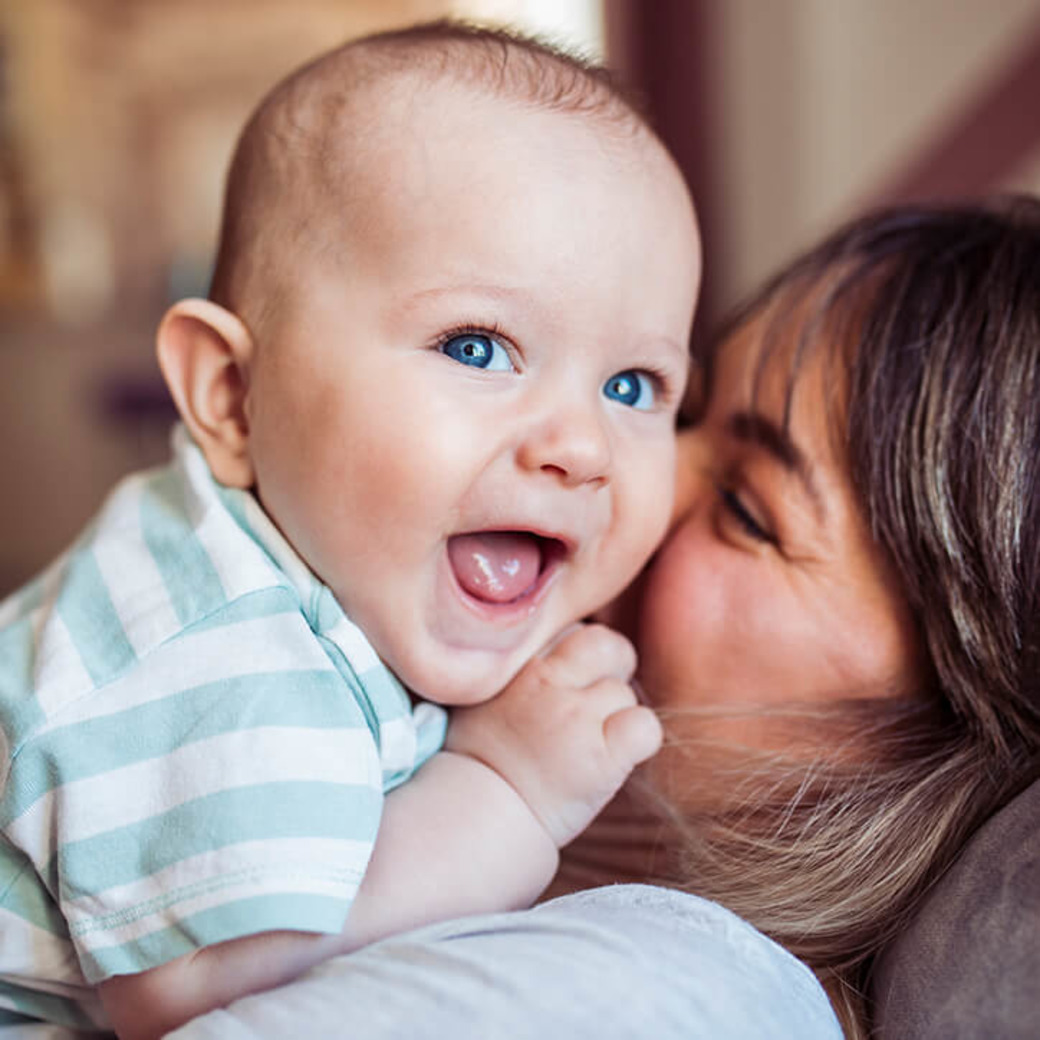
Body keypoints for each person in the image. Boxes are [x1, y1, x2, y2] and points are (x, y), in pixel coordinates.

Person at [169, 194, 1040, 1040]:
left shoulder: (675, 997)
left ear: (956, 707)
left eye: (745, 509)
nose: (628, 482)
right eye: (663, 405)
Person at [0, 21, 700, 1040]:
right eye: (477, 345)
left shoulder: (343, 567)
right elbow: (195, 988)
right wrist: (502, 789)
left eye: (632, 384)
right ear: (233, 396)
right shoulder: (220, 635)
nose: (581, 445)